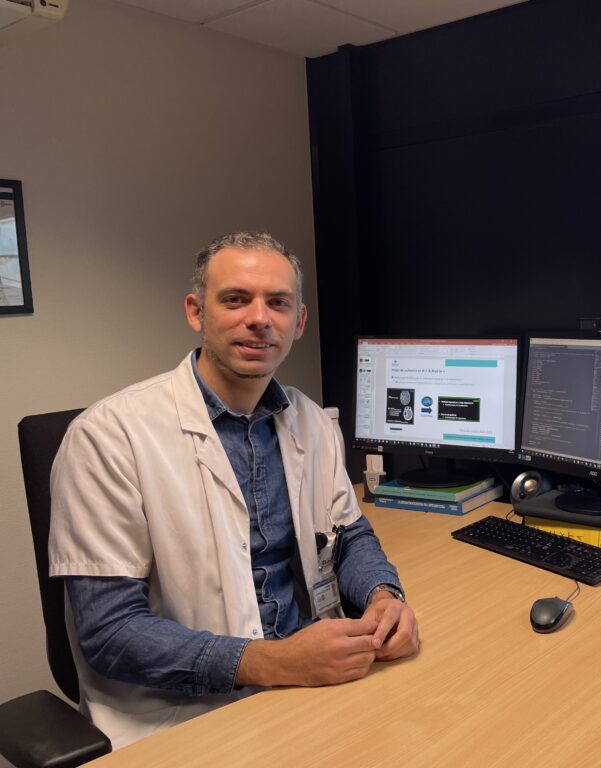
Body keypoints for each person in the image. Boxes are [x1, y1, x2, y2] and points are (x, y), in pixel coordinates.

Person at [48, 232, 419, 749]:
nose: (260, 319)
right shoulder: (108, 437)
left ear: (299, 322)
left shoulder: (309, 420)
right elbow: (110, 633)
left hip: (309, 689)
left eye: (278, 303)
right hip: (184, 716)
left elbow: (350, 535)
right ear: (196, 312)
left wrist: (384, 595)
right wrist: (273, 661)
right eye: (236, 299)